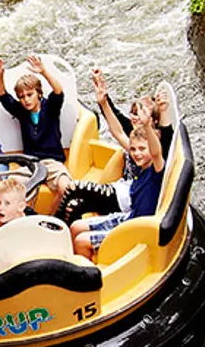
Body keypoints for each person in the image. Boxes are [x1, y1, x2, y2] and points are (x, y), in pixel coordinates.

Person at [71, 93, 168, 260]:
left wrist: (146, 125)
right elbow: (117, 132)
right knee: (76, 226)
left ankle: (89, 277)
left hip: (139, 230)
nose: (137, 154)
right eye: (134, 149)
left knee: (81, 241)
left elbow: (156, 152)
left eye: (142, 149)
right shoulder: (140, 168)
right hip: (130, 218)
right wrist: (103, 103)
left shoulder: (156, 170)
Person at [0, 54, 68, 163]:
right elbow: (2, 96)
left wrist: (44, 72)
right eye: (21, 97)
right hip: (31, 163)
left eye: (30, 95)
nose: (26, 99)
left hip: (53, 160)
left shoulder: (50, 107)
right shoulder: (21, 111)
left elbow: (58, 92)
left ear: (39, 93)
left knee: (63, 180)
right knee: (12, 180)